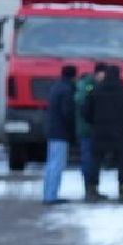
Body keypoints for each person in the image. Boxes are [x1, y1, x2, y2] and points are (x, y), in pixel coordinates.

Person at [83, 64, 123, 201]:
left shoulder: (95, 91)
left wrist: (94, 123)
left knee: (95, 161)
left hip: (99, 131)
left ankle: (92, 190)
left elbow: (86, 112)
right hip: (120, 132)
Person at [42, 65, 78, 205]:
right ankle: (51, 196)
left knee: (51, 164)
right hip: (61, 132)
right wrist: (72, 130)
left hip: (52, 130)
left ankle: (48, 194)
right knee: (57, 164)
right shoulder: (67, 90)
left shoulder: (56, 87)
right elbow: (67, 113)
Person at [75, 66, 99, 202]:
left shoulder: (82, 86)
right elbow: (83, 105)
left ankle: (91, 189)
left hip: (86, 129)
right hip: (87, 130)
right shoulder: (87, 87)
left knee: (90, 159)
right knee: (89, 159)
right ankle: (90, 189)